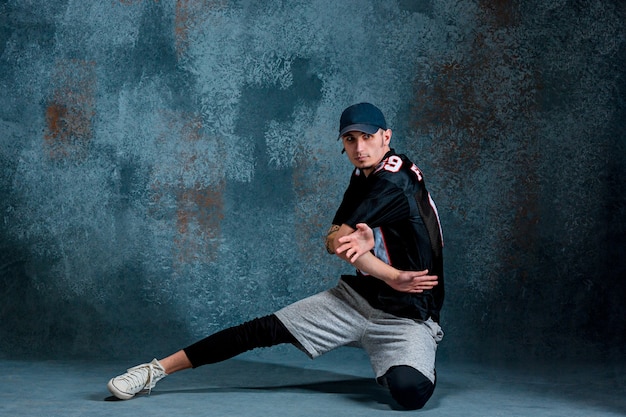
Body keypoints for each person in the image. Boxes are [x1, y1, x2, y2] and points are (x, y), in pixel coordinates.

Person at [106, 102, 445, 410]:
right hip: (358, 300)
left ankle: (391, 358)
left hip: (408, 316)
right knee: (261, 330)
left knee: (409, 391)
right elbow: (333, 242)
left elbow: (340, 243)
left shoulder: (393, 180)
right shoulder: (363, 173)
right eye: (350, 140)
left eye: (367, 137)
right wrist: (384, 269)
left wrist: (383, 268)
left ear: (386, 136)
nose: (359, 147)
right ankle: (154, 371)